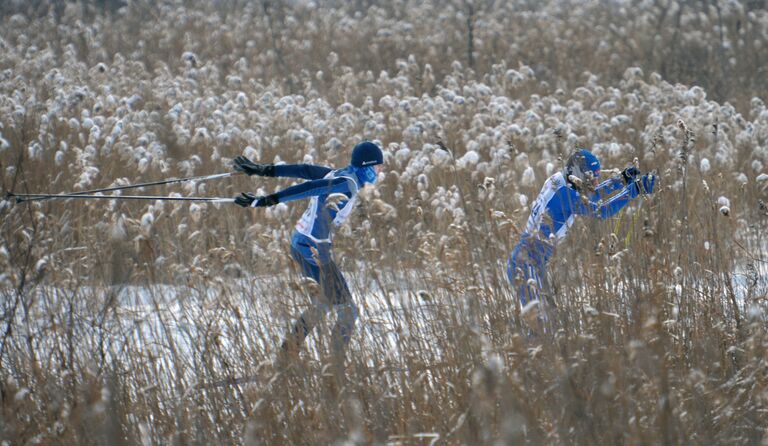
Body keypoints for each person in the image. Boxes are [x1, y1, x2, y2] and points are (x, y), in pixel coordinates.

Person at [232, 141, 384, 368]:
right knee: (348, 311)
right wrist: (267, 200)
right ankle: (335, 367)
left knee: (324, 303)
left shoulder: (342, 175)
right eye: (379, 167)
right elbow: (308, 188)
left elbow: (304, 170)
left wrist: (264, 170)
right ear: (368, 166)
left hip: (302, 244)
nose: (381, 172)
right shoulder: (346, 182)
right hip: (313, 249)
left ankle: (285, 356)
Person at [507, 149, 656, 324]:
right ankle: (524, 349)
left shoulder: (558, 180)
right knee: (543, 326)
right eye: (592, 177)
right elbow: (602, 211)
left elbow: (588, 193)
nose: (595, 181)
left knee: (550, 320)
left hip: (529, 260)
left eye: (597, 176)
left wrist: (621, 180)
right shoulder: (564, 194)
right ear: (578, 175)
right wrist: (634, 190)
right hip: (527, 263)